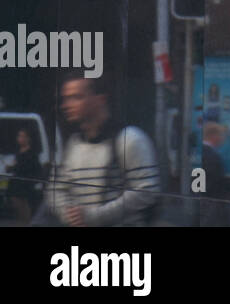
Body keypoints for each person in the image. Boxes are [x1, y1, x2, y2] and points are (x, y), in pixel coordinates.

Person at [34, 75, 160, 227]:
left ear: (100, 99)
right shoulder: (73, 145)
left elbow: (146, 191)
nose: (66, 105)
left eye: (76, 97)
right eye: (65, 98)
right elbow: (55, 190)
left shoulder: (130, 139)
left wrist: (94, 217)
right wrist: (72, 217)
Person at [7, 128, 44, 225]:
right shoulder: (18, 152)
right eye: (19, 136)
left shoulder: (32, 153)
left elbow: (35, 168)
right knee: (17, 210)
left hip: (25, 185)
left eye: (22, 136)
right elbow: (16, 165)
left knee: (24, 209)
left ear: (28, 138)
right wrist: (11, 168)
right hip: (16, 184)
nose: (20, 138)